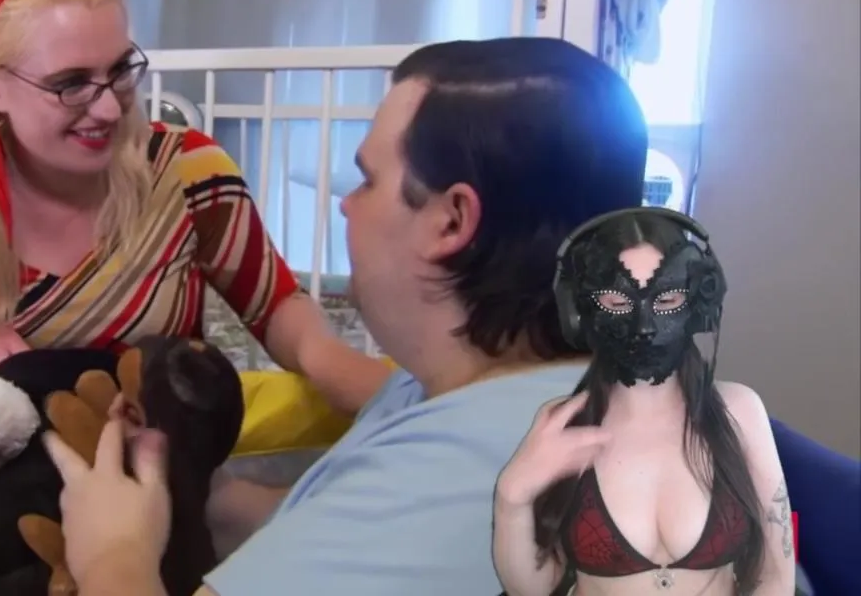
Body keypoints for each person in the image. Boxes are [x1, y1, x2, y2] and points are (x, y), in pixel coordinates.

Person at [43, 37, 653, 595]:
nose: (345, 204)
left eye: (367, 180)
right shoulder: (482, 382)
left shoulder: (471, 474)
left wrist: (114, 554)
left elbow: (384, 527)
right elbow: (324, 534)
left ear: (450, 221)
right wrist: (187, 492)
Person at [0, 0, 388, 415]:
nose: (108, 109)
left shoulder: (189, 172)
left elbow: (274, 306)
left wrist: (334, 364)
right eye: (71, 83)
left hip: (171, 466)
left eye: (120, 70)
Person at [492, 208, 794, 595]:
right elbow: (532, 590)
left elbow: (776, 574)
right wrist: (511, 498)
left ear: (699, 302)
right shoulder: (564, 423)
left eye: (667, 299)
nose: (645, 326)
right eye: (617, 302)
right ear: (578, 312)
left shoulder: (740, 411)